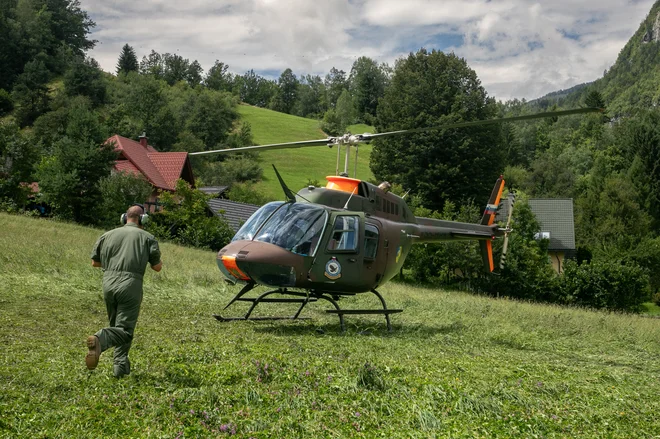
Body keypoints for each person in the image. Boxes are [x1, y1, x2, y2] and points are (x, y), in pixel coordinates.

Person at [86, 204, 162, 378]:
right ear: (143, 219)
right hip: (130, 284)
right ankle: (100, 338)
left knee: (118, 329)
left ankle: (120, 369)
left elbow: (94, 262)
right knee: (125, 330)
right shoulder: (147, 237)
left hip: (108, 283)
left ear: (124, 217)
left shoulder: (107, 235)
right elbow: (156, 267)